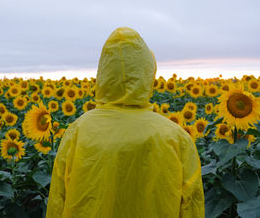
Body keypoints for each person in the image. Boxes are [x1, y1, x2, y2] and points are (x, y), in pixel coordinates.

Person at [46, 27, 204, 218]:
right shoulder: (176, 136)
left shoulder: (78, 131)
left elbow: (57, 199)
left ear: (104, 72)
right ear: (147, 73)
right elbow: (191, 204)